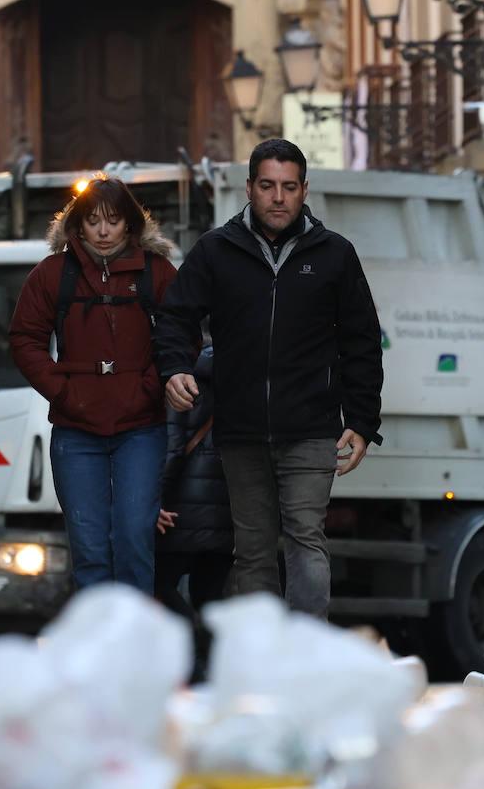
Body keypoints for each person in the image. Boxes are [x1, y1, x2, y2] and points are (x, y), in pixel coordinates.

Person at [152, 138, 383, 618]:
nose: (278, 197)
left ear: (304, 191)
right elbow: (175, 317)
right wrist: (174, 368)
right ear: (250, 189)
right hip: (239, 429)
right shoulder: (216, 250)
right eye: (267, 186)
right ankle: (261, 661)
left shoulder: (335, 254)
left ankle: (302, 659)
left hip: (312, 428)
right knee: (252, 550)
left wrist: (362, 419)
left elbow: (361, 340)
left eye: (289, 187)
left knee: (305, 537)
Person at [9, 174, 177, 594]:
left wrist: (148, 389)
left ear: (130, 225)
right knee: (89, 549)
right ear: (77, 225)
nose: (103, 232)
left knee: (135, 537)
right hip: (76, 431)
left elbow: (181, 339)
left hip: (141, 428)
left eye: (114, 221)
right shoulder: (52, 274)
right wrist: (63, 392)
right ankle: (97, 651)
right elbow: (25, 340)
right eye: (94, 221)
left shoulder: (157, 273)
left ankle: (138, 647)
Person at [155, 346, 231, 683]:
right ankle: (211, 676)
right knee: (210, 599)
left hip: (181, 511)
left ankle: (194, 654)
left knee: (156, 584)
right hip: (225, 511)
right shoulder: (235, 375)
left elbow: (173, 448)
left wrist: (153, 500)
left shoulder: (182, 381)